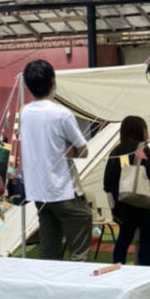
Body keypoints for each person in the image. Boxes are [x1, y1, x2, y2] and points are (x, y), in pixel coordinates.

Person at [19, 59, 92, 261]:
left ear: (28, 85)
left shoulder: (24, 113)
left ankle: (46, 280)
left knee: (49, 249)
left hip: (39, 192)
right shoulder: (61, 114)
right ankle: (78, 280)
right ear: (53, 81)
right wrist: (69, 151)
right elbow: (84, 150)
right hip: (64, 190)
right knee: (79, 247)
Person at [103, 115, 150, 266]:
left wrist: (114, 207)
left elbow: (107, 182)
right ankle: (144, 273)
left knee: (123, 241)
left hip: (124, 205)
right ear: (140, 130)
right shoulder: (147, 148)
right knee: (146, 243)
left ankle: (117, 270)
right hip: (145, 204)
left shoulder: (116, 151)